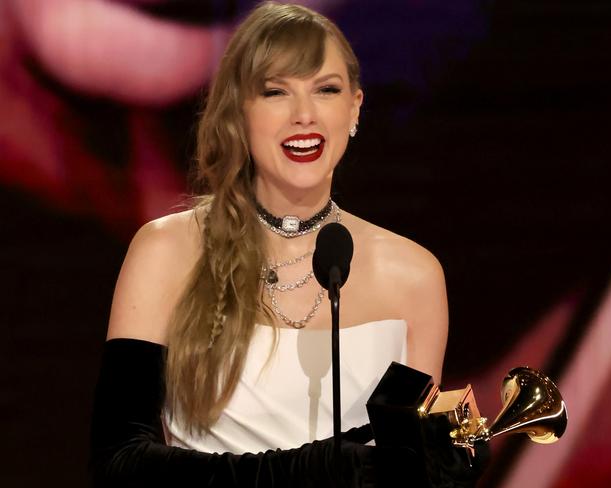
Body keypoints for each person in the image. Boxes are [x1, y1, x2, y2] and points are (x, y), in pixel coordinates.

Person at [91, 2, 483, 487]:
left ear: (355, 108)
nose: (304, 115)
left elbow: (399, 464)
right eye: (276, 92)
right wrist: (301, 473)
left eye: (326, 90)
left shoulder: (415, 277)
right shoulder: (167, 252)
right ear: (238, 110)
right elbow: (118, 465)